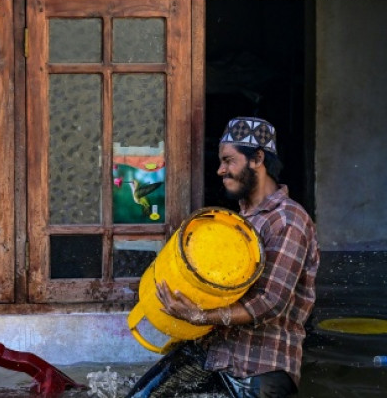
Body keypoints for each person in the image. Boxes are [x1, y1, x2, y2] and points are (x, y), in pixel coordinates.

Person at [128, 116, 320, 398]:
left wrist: (200, 315)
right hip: (213, 356)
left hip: (259, 371)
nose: (220, 170)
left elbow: (270, 303)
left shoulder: (289, 220)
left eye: (229, 160)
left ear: (257, 158)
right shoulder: (236, 223)